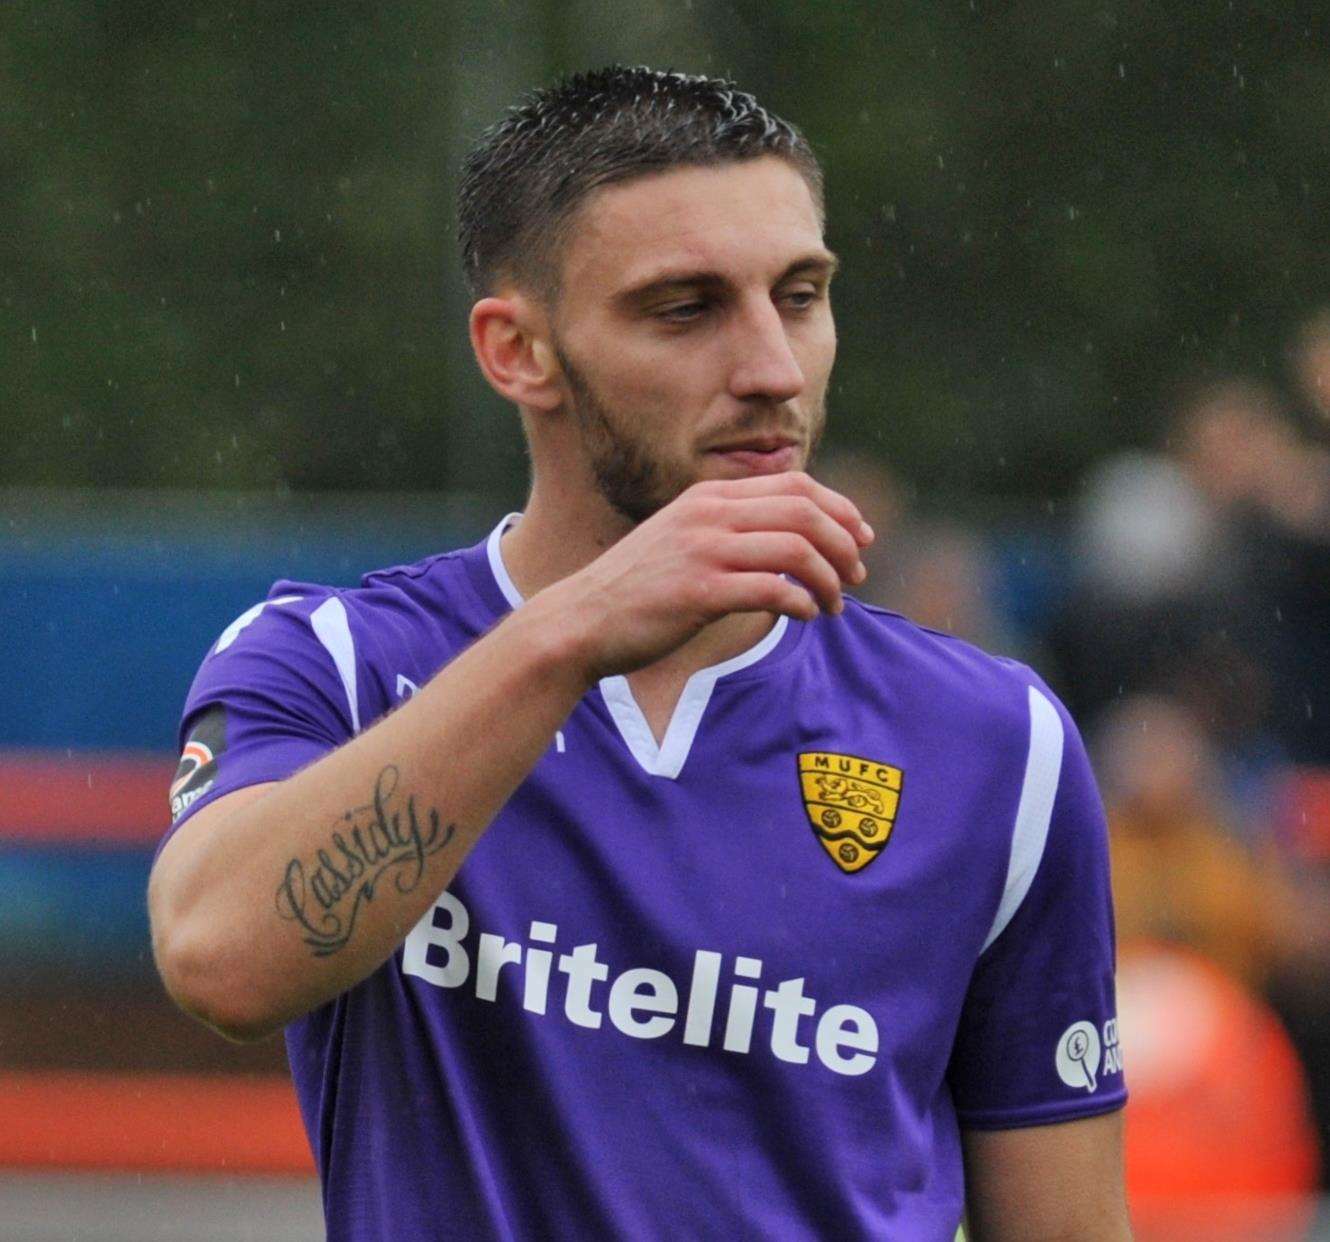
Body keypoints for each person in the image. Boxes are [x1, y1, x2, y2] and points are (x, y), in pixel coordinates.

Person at [148, 67, 1129, 1240]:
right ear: (519, 353)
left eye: (801, 295)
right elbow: (223, 964)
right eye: (686, 308)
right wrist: (567, 635)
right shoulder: (338, 661)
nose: (770, 367)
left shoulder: (994, 743)